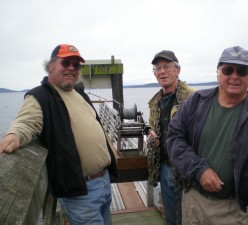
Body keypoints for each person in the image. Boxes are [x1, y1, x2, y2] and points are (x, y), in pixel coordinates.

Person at [166, 46, 248, 225]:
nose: (234, 76)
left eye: (242, 71)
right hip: (193, 201)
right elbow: (174, 137)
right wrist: (199, 169)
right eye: (228, 70)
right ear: (218, 74)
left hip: (232, 210)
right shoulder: (197, 102)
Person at [0, 44, 117, 225]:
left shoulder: (79, 94)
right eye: (66, 63)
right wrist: (13, 136)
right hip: (81, 191)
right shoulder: (40, 96)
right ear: (50, 66)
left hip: (103, 181)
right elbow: (26, 122)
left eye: (76, 65)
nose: (72, 68)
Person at [146, 50, 195, 225]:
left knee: (190, 216)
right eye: (157, 68)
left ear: (177, 71)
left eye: (166, 67)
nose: (162, 71)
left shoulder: (193, 97)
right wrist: (151, 133)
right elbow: (153, 125)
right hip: (165, 166)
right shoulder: (156, 101)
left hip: (187, 169)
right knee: (172, 217)